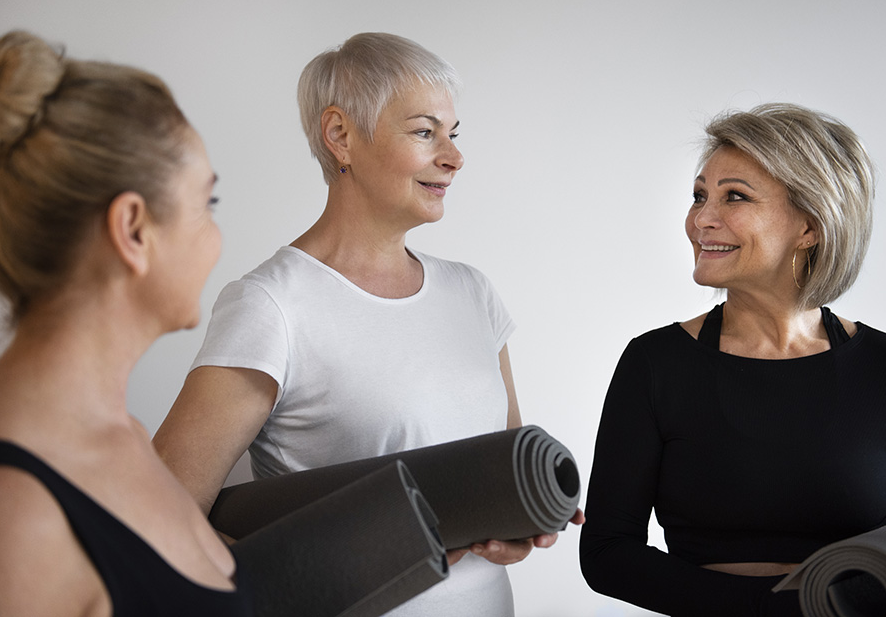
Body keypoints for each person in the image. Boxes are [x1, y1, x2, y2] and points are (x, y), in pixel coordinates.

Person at [153, 32, 581, 617]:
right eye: (424, 131)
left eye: (453, 135)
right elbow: (160, 514)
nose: (454, 157)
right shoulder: (272, 305)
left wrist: (519, 524)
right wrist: (289, 577)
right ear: (341, 136)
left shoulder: (472, 293)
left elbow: (501, 468)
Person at [579, 103, 886, 616]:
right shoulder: (654, 364)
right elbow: (606, 552)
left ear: (810, 225)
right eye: (699, 196)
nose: (700, 220)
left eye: (734, 196)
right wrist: (782, 610)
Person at [0, 31, 249, 616]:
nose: (217, 238)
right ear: (134, 231)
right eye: (207, 205)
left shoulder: (127, 436)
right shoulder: (11, 513)